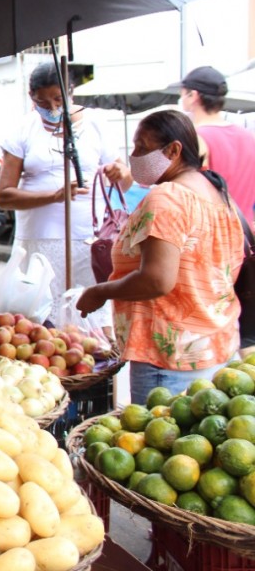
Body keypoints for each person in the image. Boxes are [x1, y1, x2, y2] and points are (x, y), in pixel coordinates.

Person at [76, 110, 246, 400]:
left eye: (142, 147)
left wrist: (100, 292)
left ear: (174, 150)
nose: (134, 155)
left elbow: (156, 280)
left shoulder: (168, 197)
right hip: (218, 347)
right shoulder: (216, 191)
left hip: (169, 360)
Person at [0, 62, 132, 329]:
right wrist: (55, 196)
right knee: (39, 322)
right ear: (31, 97)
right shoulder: (23, 130)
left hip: (87, 239)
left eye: (58, 99)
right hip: (38, 241)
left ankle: (101, 370)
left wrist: (121, 173)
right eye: (42, 102)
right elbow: (4, 197)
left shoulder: (96, 125)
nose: (52, 108)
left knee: (90, 321)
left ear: (70, 92)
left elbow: (125, 182)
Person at [178, 65, 255, 224]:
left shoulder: (195, 138)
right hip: (244, 241)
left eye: (183, 93)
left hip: (211, 240)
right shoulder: (249, 138)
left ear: (194, 96)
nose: (181, 96)